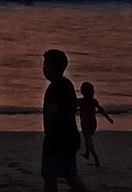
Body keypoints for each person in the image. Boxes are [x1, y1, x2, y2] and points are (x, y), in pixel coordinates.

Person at [41, 49, 86, 192]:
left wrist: (49, 136)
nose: (43, 68)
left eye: (45, 65)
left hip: (58, 139)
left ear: (53, 68)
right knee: (70, 174)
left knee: (49, 176)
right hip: (69, 137)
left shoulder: (56, 87)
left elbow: (53, 113)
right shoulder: (67, 84)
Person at [77, 81, 113, 166]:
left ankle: (95, 156)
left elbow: (72, 108)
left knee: (88, 138)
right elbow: (100, 109)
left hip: (85, 122)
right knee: (87, 138)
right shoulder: (93, 101)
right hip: (93, 123)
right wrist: (108, 118)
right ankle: (87, 154)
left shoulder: (80, 101)